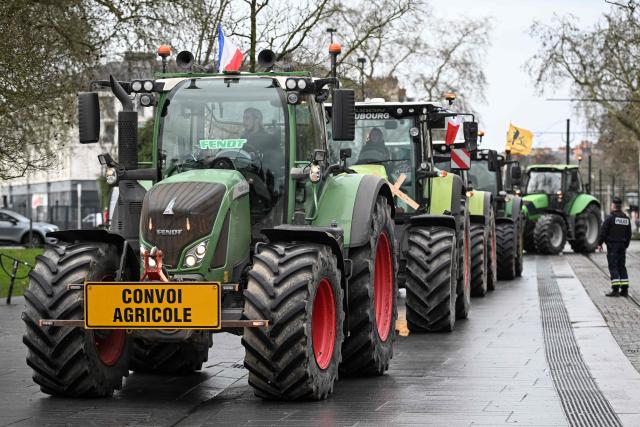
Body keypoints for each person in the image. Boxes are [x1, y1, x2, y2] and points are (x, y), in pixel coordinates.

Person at [598, 197, 632, 297]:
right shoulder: (626, 218)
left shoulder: (610, 218)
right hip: (622, 246)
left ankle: (615, 290)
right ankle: (625, 290)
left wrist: (599, 243)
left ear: (613, 206)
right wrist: (626, 245)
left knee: (613, 266)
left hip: (613, 246)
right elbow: (629, 234)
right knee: (622, 266)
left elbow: (603, 232)